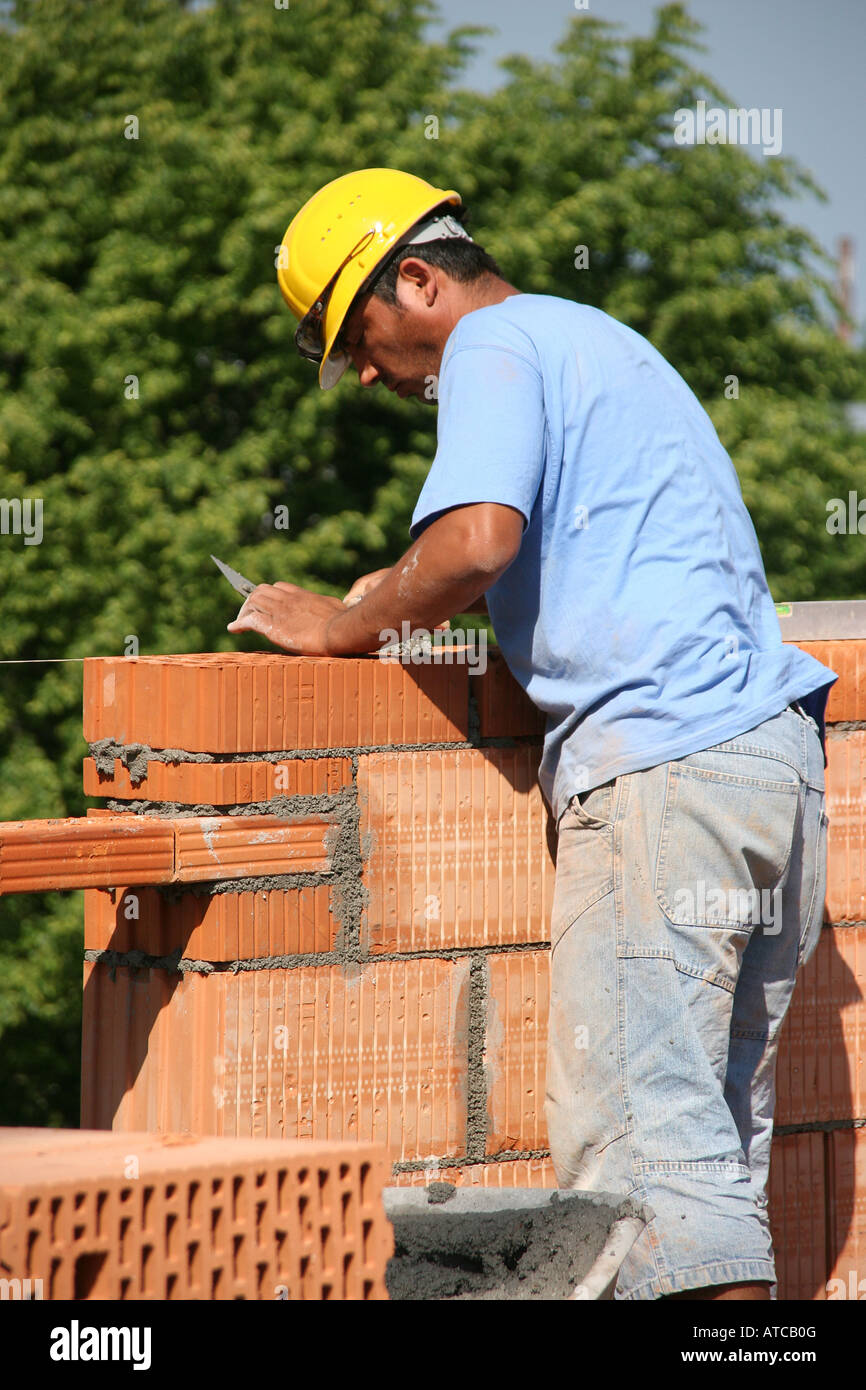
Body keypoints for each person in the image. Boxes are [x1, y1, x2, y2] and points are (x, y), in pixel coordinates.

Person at [228, 168, 837, 1300]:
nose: (362, 371)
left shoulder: (490, 349)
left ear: (415, 279)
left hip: (662, 776)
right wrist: (403, 592)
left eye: (353, 335)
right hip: (767, 767)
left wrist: (346, 625)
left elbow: (474, 542)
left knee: (640, 1184)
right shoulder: (592, 337)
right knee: (707, 1174)